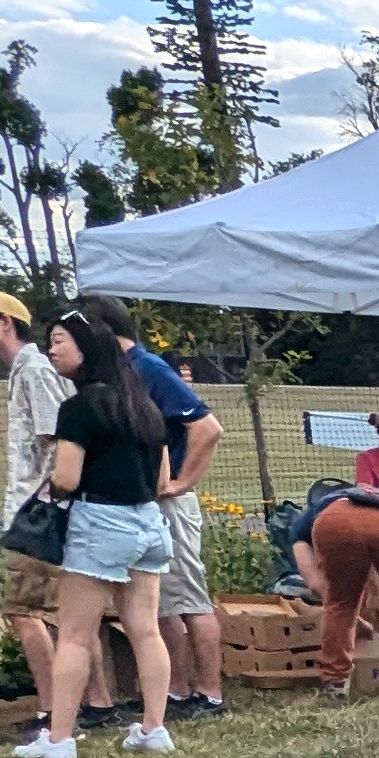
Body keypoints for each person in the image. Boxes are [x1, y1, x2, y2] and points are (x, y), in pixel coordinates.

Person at [13, 311, 175, 758]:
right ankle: (154, 727)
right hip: (148, 523)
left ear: (87, 348)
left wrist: (54, 491)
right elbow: (163, 481)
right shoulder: (145, 406)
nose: (52, 349)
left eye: (60, 340)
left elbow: (66, 477)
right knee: (145, 629)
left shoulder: (79, 408)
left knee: (76, 635)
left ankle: (60, 740)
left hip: (100, 522)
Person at [0, 288, 98, 726]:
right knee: (61, 613)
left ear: (5, 323)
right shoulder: (25, 370)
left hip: (39, 511)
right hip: (38, 507)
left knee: (24, 611)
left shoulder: (34, 369)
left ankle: (54, 708)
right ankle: (86, 703)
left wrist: (43, 508)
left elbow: (58, 440)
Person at [78, 295, 226, 720]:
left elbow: (206, 426)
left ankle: (210, 693)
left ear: (101, 330)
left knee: (191, 598)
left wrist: (181, 483)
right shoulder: (118, 373)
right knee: (161, 604)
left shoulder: (149, 368)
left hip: (170, 504)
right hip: (142, 502)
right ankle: (176, 691)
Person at [295, 478, 379, 698]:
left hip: (336, 524)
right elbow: (378, 554)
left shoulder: (307, 520)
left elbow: (315, 583)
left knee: (340, 605)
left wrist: (350, 613)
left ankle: (336, 681)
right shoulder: (376, 498)